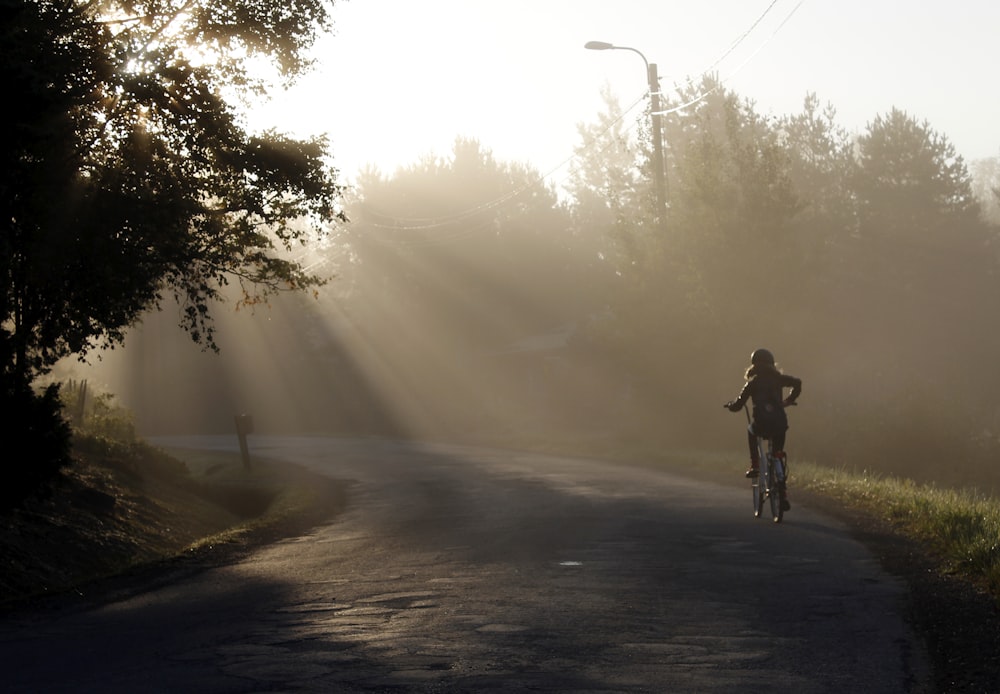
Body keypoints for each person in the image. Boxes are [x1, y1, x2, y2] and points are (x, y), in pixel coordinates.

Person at [724, 348, 802, 509]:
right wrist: (788, 400)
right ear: (772, 364)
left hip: (761, 424)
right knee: (778, 454)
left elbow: (739, 404)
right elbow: (797, 383)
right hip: (780, 423)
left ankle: (755, 465)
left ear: (754, 365)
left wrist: (730, 405)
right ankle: (783, 493)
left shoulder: (752, 383)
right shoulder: (779, 379)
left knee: (751, 430)